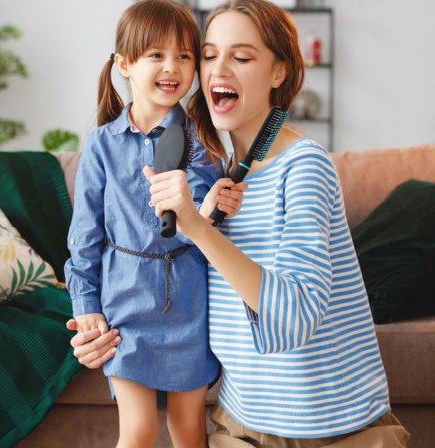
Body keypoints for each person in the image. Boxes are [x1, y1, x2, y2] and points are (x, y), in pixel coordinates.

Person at [72, 0, 410, 446]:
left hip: (329, 431)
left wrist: (198, 227)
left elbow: (292, 317)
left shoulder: (303, 165)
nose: (217, 70)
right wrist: (90, 318)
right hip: (240, 426)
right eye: (210, 55)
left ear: (279, 72)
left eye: (242, 56)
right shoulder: (224, 171)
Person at [64, 1, 245, 447]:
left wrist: (217, 209)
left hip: (189, 303)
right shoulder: (102, 145)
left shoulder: (204, 144)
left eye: (184, 56)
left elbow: (207, 231)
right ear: (124, 64)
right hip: (125, 305)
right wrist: (85, 304)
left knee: (188, 431)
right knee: (139, 431)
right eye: (156, 55)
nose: (172, 67)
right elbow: (85, 238)